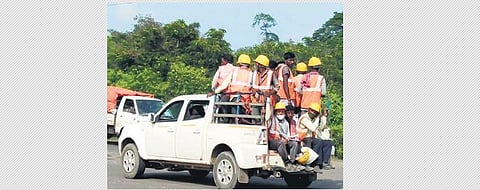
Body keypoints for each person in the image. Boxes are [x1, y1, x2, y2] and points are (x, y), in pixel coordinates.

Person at [210, 54, 255, 124]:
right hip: (246, 101)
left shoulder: (234, 71)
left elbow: (224, 85)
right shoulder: (252, 74)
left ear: (239, 63)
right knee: (243, 118)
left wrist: (215, 92)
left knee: (233, 116)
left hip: (234, 98)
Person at [268, 102, 304, 172]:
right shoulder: (273, 120)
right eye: (279, 112)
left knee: (294, 143)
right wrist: (281, 136)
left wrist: (287, 139)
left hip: (284, 140)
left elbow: (287, 134)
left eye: (282, 111)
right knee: (280, 143)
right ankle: (286, 161)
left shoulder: (286, 123)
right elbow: (271, 131)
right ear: (276, 112)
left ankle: (292, 162)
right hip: (273, 141)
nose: (280, 113)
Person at [251, 55, 279, 125]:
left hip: (267, 101)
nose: (256, 65)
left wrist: (270, 92)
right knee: (255, 119)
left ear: (262, 65)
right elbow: (251, 85)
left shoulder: (271, 74)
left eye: (258, 63)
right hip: (255, 100)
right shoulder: (254, 73)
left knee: (267, 120)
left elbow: (277, 87)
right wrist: (253, 90)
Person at [208, 54, 237, 122]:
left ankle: (224, 120)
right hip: (233, 93)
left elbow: (215, 81)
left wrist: (214, 90)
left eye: (222, 59)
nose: (221, 61)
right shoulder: (235, 69)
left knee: (223, 109)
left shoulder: (221, 69)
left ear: (225, 60)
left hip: (223, 92)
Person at [296, 102, 323, 173]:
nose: (313, 113)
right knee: (309, 142)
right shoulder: (304, 118)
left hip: (309, 137)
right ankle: (307, 163)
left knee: (319, 142)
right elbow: (313, 128)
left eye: (315, 112)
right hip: (301, 137)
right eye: (312, 110)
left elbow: (318, 129)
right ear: (308, 110)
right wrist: (317, 118)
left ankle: (317, 163)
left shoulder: (312, 118)